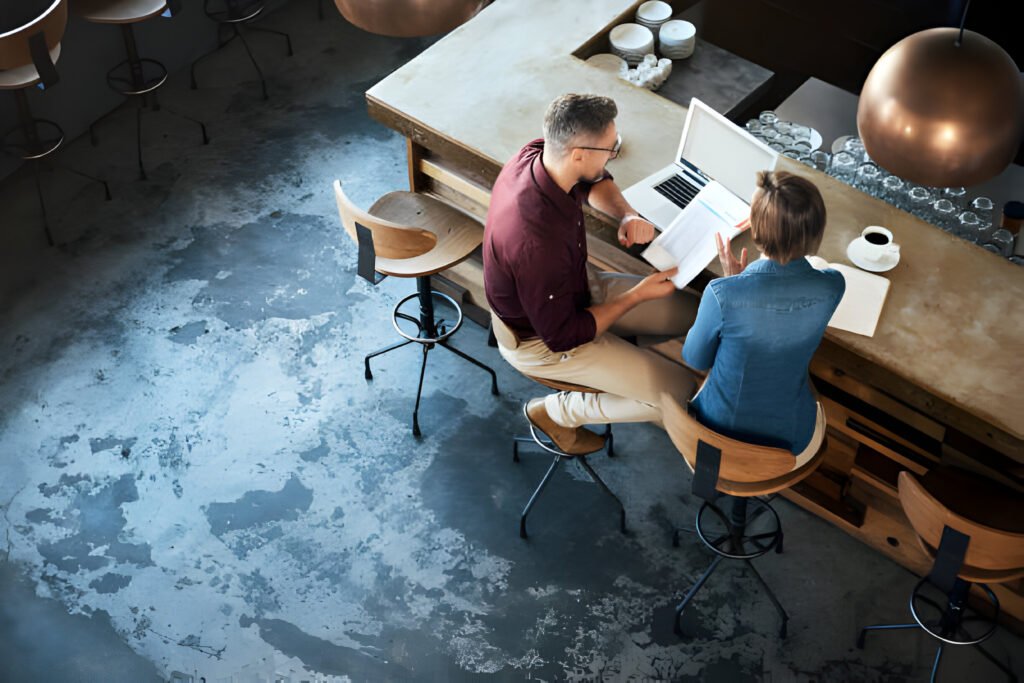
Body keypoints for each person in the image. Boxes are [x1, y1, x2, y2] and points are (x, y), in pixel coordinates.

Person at [484, 93, 699, 455]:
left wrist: (627, 214)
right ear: (578, 153)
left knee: (694, 313)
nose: (613, 153)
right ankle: (556, 413)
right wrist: (636, 296)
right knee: (680, 393)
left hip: (575, 287)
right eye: (609, 148)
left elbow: (594, 180)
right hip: (542, 339)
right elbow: (564, 335)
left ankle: (631, 363)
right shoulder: (536, 243)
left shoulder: (539, 154)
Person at [683, 170, 845, 458]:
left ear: (755, 230)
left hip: (716, 434)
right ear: (816, 232)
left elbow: (695, 359)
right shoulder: (833, 285)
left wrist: (734, 283)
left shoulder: (721, 294)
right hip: (787, 442)